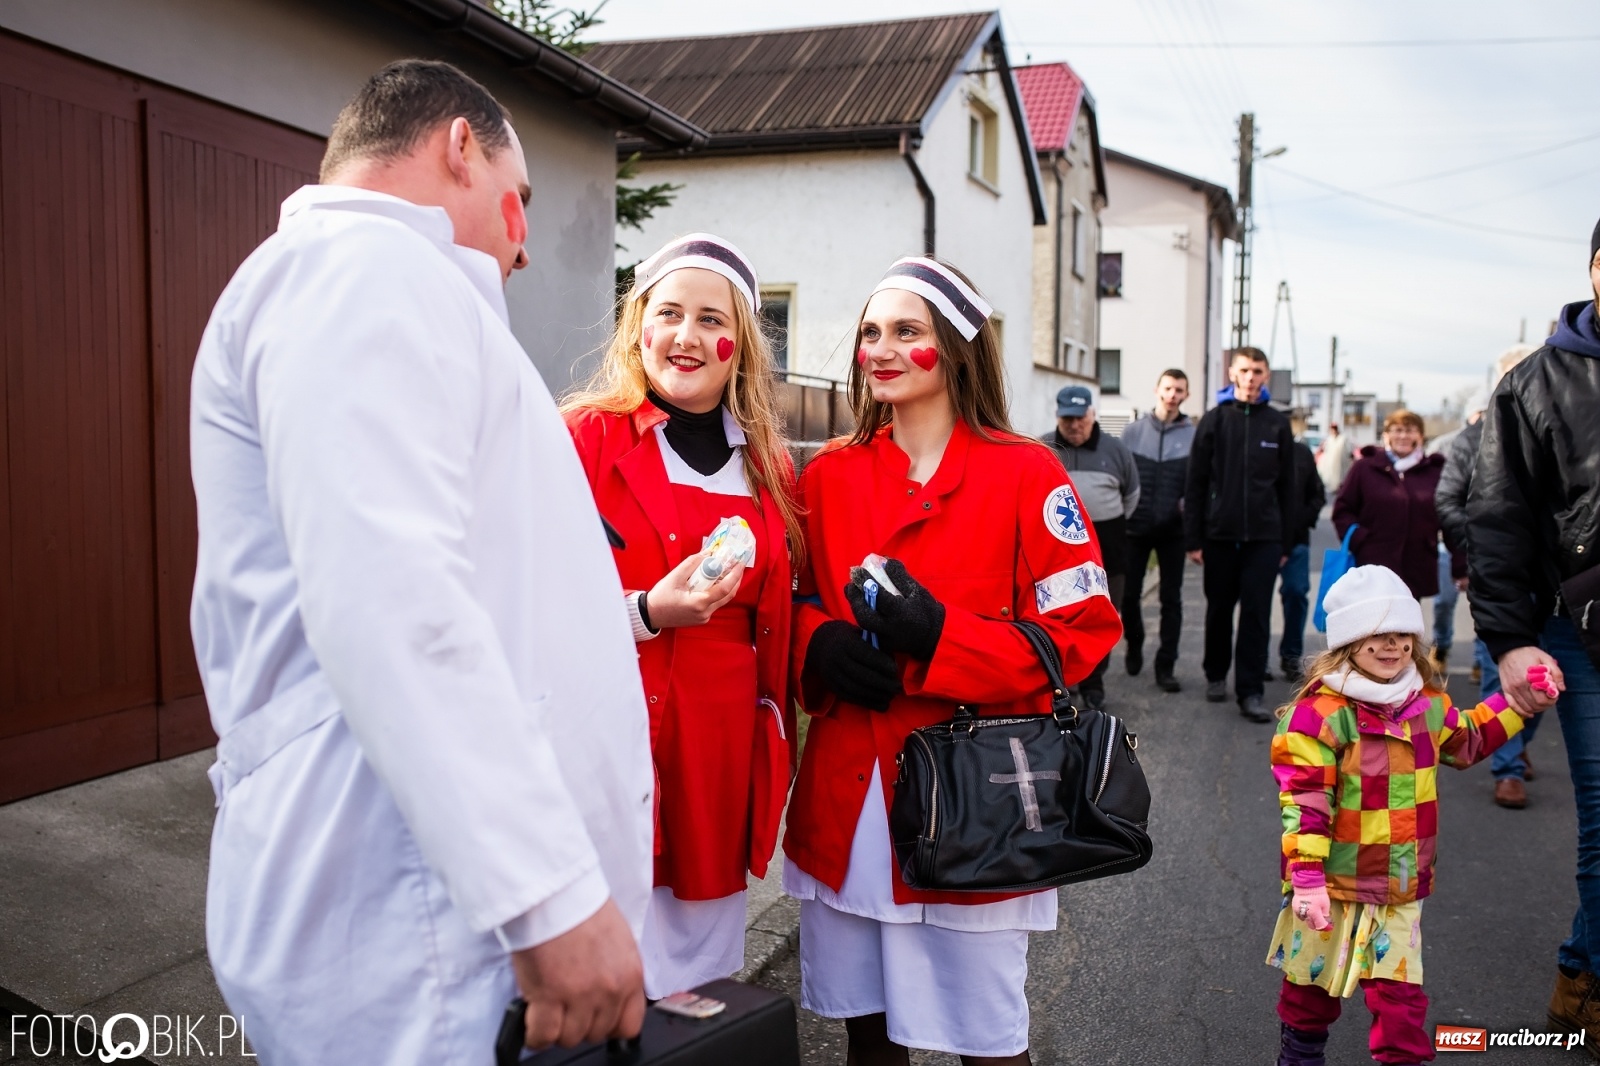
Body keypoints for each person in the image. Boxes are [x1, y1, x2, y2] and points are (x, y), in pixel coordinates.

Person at [188, 61, 653, 1063]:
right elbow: (388, 591)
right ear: (458, 146)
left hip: (436, 919)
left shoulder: (392, 285)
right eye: (520, 197)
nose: (523, 243)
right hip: (416, 928)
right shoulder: (359, 267)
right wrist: (546, 895)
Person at [785, 256, 1121, 1066]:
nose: (881, 350)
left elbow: (1082, 630)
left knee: (988, 1041)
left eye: (907, 331)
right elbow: (783, 604)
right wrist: (815, 643)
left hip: (980, 803)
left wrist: (942, 639)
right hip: (852, 797)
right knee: (865, 1034)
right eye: (871, 332)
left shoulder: (1028, 472)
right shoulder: (825, 475)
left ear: (959, 347)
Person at [560, 233, 799, 998]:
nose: (686, 335)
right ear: (639, 327)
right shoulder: (581, 439)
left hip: (717, 759)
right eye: (668, 313)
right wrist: (644, 612)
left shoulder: (768, 466)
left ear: (740, 346)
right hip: (608, 743)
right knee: (602, 974)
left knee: (699, 987)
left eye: (710, 319)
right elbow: (523, 604)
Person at [1267, 565, 1550, 1066]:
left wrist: (1519, 703)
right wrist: (1306, 878)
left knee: (1400, 1004)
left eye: (1402, 634)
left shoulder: (1427, 705)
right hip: (1331, 884)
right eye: (1377, 633)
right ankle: (1299, 1057)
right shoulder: (1319, 716)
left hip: (1399, 886)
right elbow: (1306, 801)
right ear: (1348, 642)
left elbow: (1468, 740)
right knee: (1310, 991)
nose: (1392, 645)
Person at [1469, 217, 1600, 1042]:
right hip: (1580, 632)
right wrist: (1511, 639)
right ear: (1594, 269)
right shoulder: (1537, 383)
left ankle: (1581, 975)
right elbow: (1496, 517)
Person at [1437, 350, 1538, 809]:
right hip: (1496, 576)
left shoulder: (1560, 427)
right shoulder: (1473, 438)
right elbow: (1447, 500)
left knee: (1549, 676)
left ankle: (1517, 739)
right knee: (1502, 668)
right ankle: (1508, 768)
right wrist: (1483, 548)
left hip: (1553, 580)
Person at [1184, 347, 1296, 722]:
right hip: (1219, 536)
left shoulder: (1277, 424)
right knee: (1219, 610)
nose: (1250, 378)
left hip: (1264, 538)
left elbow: (1288, 488)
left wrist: (1286, 541)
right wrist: (1193, 538)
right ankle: (1216, 675)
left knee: (1257, 615)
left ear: (1266, 376)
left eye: (1257, 371)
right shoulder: (1214, 420)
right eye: (1245, 370)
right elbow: (1196, 482)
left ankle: (1251, 691)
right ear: (1232, 373)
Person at [1041, 385, 1140, 710]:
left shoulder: (1116, 449)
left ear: (1092, 414)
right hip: (1057, 556)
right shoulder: (1043, 448)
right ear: (1058, 417)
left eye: (1080, 418)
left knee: (1103, 618)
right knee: (1061, 620)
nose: (1074, 425)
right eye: (1067, 419)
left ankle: (1094, 683)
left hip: (1109, 550)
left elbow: (1131, 495)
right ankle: (1062, 685)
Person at [1120, 369, 1196, 693]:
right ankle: (1134, 642)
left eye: (1179, 390)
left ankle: (1166, 666)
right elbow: (1122, 478)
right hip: (1134, 528)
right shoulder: (1133, 432)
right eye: (1168, 388)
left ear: (1186, 395)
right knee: (1129, 595)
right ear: (1157, 390)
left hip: (1173, 531)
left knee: (1171, 600)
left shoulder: (1193, 435)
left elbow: (1197, 484)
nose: (1172, 395)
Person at [1332, 409, 1454, 604]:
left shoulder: (1434, 471)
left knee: (1407, 620)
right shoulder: (1364, 468)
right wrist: (1360, 540)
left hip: (1416, 564)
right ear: (1386, 435)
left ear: (1420, 436)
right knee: (1373, 618)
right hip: (1373, 563)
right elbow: (1343, 509)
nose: (1403, 436)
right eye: (1397, 430)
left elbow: (1449, 516)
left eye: (1410, 430)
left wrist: (1460, 563)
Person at [1276, 440, 1327, 683]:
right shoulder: (1254, 447)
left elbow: (1317, 494)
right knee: (1256, 601)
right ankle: (1255, 658)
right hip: (1260, 539)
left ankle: (1291, 655)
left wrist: (1302, 519)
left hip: (1297, 539)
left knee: (1296, 593)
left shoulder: (1301, 453)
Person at [1315, 423, 1352, 494]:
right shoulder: (1330, 439)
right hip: (1331, 464)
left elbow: (1348, 450)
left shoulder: (1343, 439)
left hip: (1341, 463)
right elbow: (1326, 450)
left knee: (1341, 477)